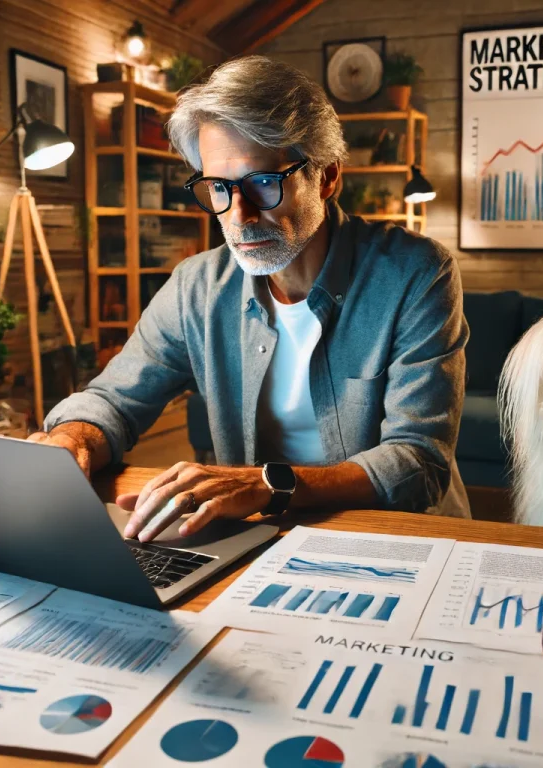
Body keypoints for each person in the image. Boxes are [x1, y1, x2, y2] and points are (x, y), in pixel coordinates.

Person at [29, 56, 470, 540]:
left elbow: (417, 463)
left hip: (396, 536)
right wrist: (73, 438)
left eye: (263, 182)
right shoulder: (195, 287)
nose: (238, 214)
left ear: (326, 177)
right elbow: (113, 399)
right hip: (262, 539)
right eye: (219, 186)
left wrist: (267, 483)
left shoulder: (415, 273)